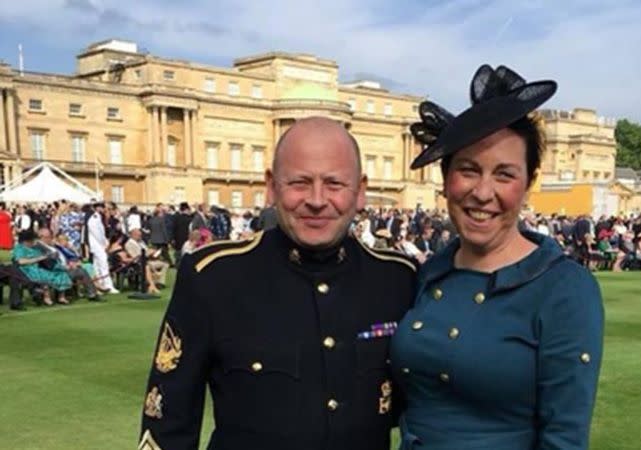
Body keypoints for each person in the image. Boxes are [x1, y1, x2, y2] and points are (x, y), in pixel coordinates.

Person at [138, 117, 416, 450]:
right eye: (299, 182)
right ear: (271, 186)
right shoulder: (214, 277)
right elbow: (167, 419)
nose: (316, 199)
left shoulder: (397, 279)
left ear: (360, 191)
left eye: (334, 184)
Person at [390, 64, 604, 450]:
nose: (483, 192)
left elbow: (565, 438)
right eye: (468, 170)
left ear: (528, 183)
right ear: (446, 178)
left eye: (504, 175)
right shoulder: (430, 274)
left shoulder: (564, 288)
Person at [12, 229, 72, 306]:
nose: (34, 242)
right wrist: (38, 259)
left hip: (38, 268)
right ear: (26, 241)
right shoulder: (19, 248)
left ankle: (61, 297)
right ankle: (46, 298)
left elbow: (44, 256)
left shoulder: (35, 248)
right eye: (33, 240)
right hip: (27, 270)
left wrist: (49, 257)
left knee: (60, 273)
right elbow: (20, 261)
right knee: (44, 277)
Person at [86, 202, 119, 294]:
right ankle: (108, 285)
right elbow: (97, 233)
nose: (104, 210)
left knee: (97, 265)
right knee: (103, 264)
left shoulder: (99, 218)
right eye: (102, 208)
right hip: (97, 245)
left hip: (98, 244)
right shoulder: (95, 218)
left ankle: (100, 284)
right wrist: (104, 243)